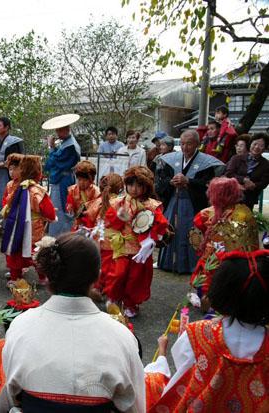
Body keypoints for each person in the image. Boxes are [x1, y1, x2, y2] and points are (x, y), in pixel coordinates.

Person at [0, 233, 145, 412]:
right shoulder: (122, 337)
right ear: (97, 278)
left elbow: (8, 399)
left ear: (48, 275)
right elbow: (135, 407)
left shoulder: (20, 327)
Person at [144, 250, 269, 412]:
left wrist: (162, 353)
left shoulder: (199, 332)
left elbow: (182, 369)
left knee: (151, 381)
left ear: (221, 290)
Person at [103, 166, 169, 318]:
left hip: (141, 249)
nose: (134, 189)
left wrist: (151, 239)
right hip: (121, 246)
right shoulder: (118, 202)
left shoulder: (152, 205)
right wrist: (119, 217)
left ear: (146, 187)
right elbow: (110, 222)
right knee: (117, 274)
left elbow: (160, 224)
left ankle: (131, 303)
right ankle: (114, 297)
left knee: (136, 278)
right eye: (131, 184)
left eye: (139, 185)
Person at [155, 130, 224, 274]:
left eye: (189, 144)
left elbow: (208, 184)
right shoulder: (170, 159)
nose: (185, 147)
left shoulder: (206, 163)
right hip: (173, 202)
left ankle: (190, 265)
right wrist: (171, 182)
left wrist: (189, 181)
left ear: (198, 145)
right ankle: (167, 263)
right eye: (182, 144)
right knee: (170, 230)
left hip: (192, 205)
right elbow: (161, 182)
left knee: (191, 231)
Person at [189, 177, 258, 302]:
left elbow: (196, 239)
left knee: (209, 283)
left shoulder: (204, 214)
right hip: (234, 263)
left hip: (211, 260)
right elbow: (251, 246)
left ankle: (207, 299)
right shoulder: (244, 213)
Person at [1, 155, 56, 285]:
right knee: (37, 252)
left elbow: (7, 205)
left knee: (16, 251)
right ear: (38, 172)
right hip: (34, 229)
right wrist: (51, 217)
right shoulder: (37, 191)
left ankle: (16, 277)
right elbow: (49, 212)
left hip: (16, 227)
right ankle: (42, 277)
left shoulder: (16, 188)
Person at [83, 173, 124, 299]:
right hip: (113, 239)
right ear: (120, 188)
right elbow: (124, 219)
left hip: (97, 236)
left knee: (98, 263)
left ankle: (96, 286)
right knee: (110, 266)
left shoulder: (98, 201)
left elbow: (89, 216)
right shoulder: (120, 202)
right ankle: (105, 289)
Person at [42, 114, 82, 236]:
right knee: (59, 207)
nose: (58, 133)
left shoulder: (70, 146)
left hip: (63, 180)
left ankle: (62, 236)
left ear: (67, 129)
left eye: (60, 129)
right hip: (61, 179)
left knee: (62, 209)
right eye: (57, 130)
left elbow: (53, 163)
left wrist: (51, 147)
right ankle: (59, 235)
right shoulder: (65, 143)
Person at [0, 117, 24, 235]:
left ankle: (7, 226)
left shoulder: (14, 142)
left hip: (8, 175)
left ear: (7, 127)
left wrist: (1, 164)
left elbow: (18, 159)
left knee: (7, 199)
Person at [225, 132, 269, 209]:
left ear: (265, 148)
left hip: (249, 199)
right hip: (231, 196)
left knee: (244, 219)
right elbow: (229, 174)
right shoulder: (236, 158)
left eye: (261, 145)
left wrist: (253, 185)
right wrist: (244, 180)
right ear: (250, 144)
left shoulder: (266, 164)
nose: (256, 147)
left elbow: (264, 183)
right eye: (254, 144)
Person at [65, 160, 100, 230]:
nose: (81, 182)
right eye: (79, 179)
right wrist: (70, 207)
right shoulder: (72, 190)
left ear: (91, 180)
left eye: (85, 180)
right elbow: (69, 204)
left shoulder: (97, 192)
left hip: (91, 225)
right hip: (77, 224)